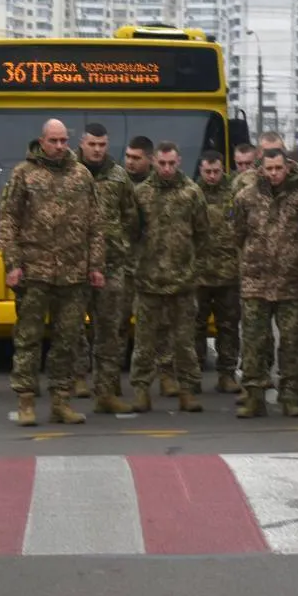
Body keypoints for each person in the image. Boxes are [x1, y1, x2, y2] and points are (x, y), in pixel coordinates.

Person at [0, 119, 105, 427]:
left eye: (63, 141)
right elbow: (8, 221)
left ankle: (61, 401)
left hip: (73, 275)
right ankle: (26, 400)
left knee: (67, 340)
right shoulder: (24, 174)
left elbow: (96, 225)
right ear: (42, 141)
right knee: (29, 339)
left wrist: (95, 266)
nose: (60, 146)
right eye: (54, 141)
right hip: (34, 273)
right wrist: (12, 264)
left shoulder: (81, 175)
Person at [232, 148, 298, 417]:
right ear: (261, 169)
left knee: (292, 342)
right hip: (255, 283)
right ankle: (253, 396)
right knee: (253, 342)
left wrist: (297, 256)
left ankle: (291, 396)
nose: (273, 174)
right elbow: (237, 234)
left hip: (291, 284)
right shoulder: (245, 197)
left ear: (287, 167)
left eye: (278, 168)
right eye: (269, 169)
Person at [127, 141, 208, 413]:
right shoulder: (142, 193)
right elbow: (132, 233)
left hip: (182, 281)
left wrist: (193, 267)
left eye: (171, 163)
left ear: (179, 161)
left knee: (185, 342)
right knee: (144, 343)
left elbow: (202, 233)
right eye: (162, 163)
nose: (166, 168)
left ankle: (187, 390)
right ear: (153, 162)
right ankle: (141, 390)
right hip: (149, 281)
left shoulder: (192, 193)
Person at [73, 123, 137, 415]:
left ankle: (106, 391)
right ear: (82, 143)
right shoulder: (69, 174)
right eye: (92, 144)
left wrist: (119, 244)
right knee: (71, 328)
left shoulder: (119, 177)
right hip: (73, 266)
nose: (97, 149)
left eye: (102, 144)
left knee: (110, 331)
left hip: (111, 266)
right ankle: (76, 379)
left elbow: (131, 218)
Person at [194, 150, 242, 394]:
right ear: (201, 170)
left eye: (216, 171)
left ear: (222, 169)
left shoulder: (235, 194)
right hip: (199, 274)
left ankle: (227, 374)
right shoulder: (192, 194)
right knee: (195, 327)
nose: (212, 176)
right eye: (207, 171)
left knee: (229, 327)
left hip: (228, 274)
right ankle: (194, 375)